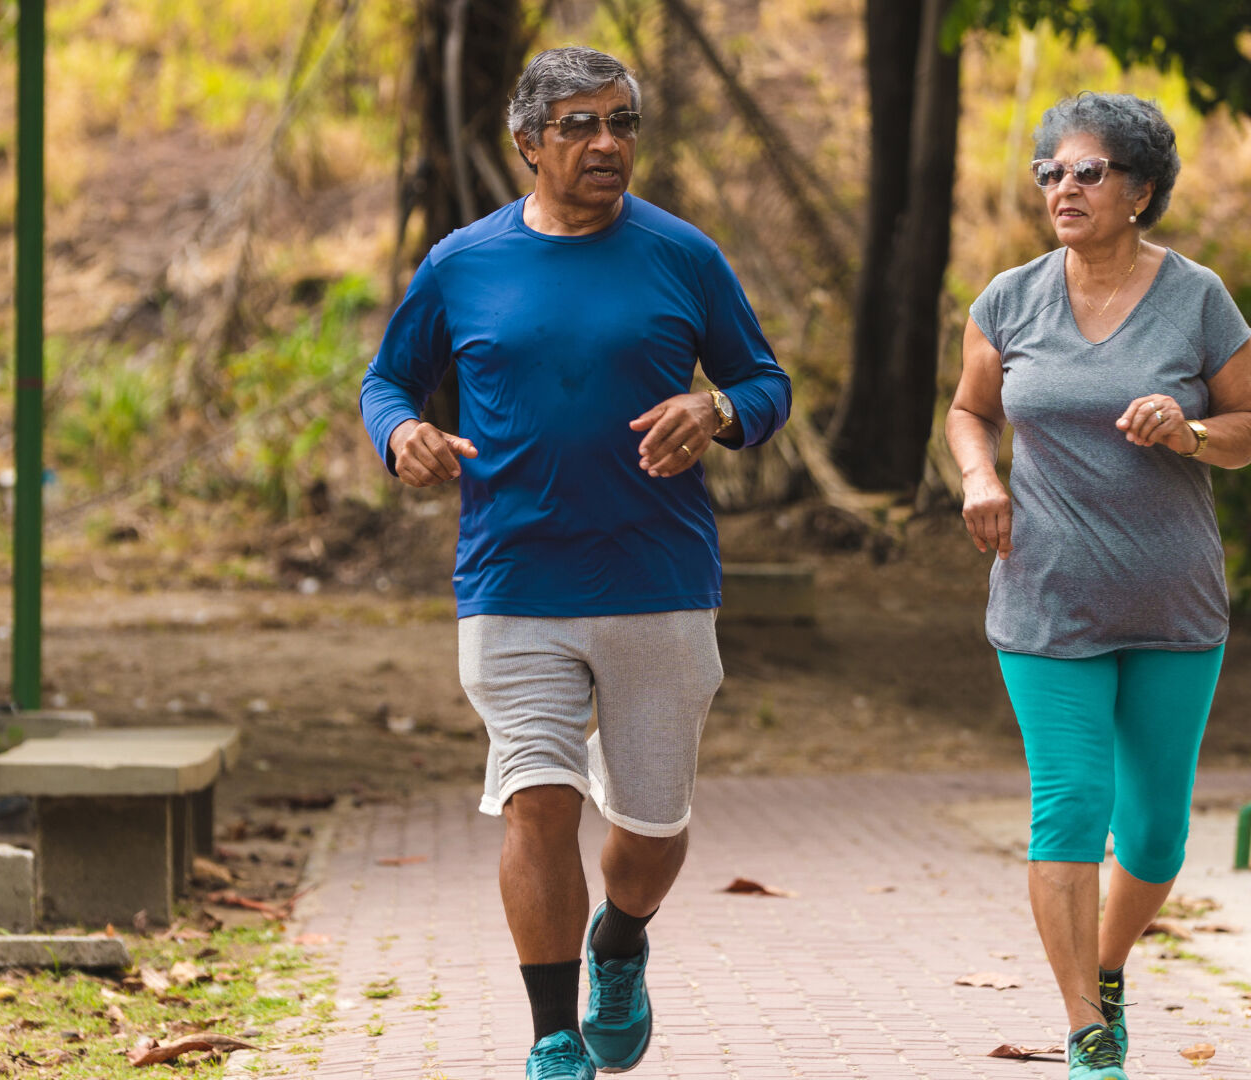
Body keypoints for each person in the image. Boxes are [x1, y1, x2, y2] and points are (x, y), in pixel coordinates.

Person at [359, 45, 791, 1080]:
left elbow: (764, 382)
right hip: (512, 577)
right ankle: (553, 1036)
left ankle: (621, 938)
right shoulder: (462, 263)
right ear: (527, 144)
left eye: (623, 122)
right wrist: (401, 435)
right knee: (538, 796)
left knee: (649, 832)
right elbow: (388, 381)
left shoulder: (682, 255)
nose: (608, 143)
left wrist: (717, 406)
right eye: (581, 125)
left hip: (657, 580)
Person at [943, 92, 1251, 1080]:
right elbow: (969, 410)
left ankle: (1108, 964)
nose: (1063, 187)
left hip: (1173, 605)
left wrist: (1194, 432)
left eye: (1087, 171)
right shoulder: (1009, 299)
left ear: (1140, 189)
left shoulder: (1199, 298)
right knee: (1069, 807)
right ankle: (1088, 1029)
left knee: (1158, 836)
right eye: (1051, 172)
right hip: (1044, 598)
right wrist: (979, 478)